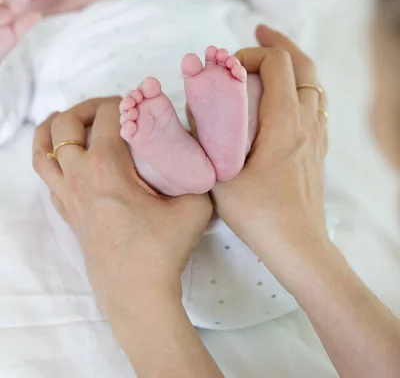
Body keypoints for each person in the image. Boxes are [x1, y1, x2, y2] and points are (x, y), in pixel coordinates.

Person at [0, 0, 314, 329]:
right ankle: (173, 161)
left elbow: (288, 43)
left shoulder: (198, 4)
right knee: (126, 135)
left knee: (258, 76)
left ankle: (208, 141)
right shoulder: (32, 40)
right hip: (159, 246)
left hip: (281, 235)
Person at [34, 20, 400, 378]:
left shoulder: (51, 34)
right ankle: (218, 149)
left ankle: (185, 164)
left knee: (115, 141)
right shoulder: (46, 33)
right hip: (297, 261)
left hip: (159, 248)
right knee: (261, 88)